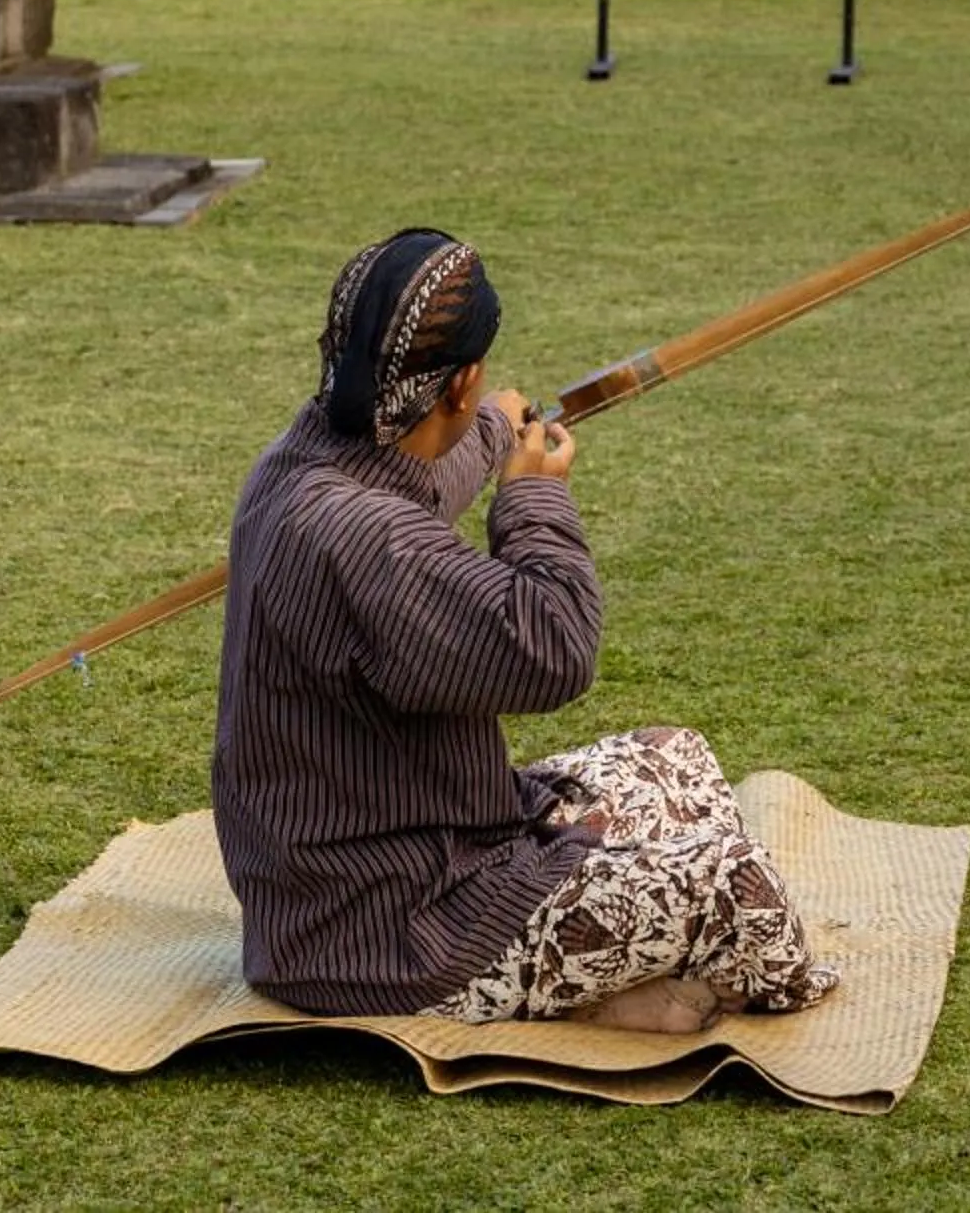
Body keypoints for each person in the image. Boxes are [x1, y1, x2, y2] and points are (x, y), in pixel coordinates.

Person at [212, 226, 839, 1033]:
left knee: (674, 757)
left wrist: (497, 432)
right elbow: (554, 647)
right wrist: (534, 496)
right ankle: (618, 984)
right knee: (734, 883)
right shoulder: (367, 538)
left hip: (345, 890)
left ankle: (607, 973)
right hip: (401, 937)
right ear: (461, 382)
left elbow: (418, 473)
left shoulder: (301, 464)